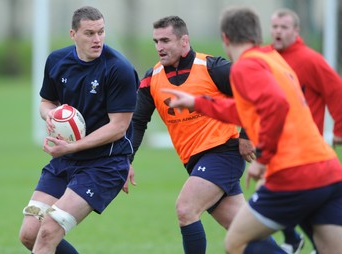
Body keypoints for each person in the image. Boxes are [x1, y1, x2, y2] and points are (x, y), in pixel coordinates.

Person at [162, 6, 342, 254]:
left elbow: (275, 105)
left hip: (294, 172)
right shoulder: (274, 59)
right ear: (259, 34)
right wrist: (197, 102)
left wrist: (263, 159)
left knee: (237, 242)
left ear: (225, 38)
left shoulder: (246, 67)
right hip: (329, 169)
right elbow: (251, 110)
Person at [128, 15, 257, 254]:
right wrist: (127, 161)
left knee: (186, 209)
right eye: (156, 41)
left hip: (223, 151)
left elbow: (252, 91)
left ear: (184, 41)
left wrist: (247, 135)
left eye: (166, 40)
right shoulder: (151, 78)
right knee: (243, 231)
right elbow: (137, 122)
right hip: (193, 161)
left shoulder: (211, 67)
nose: (159, 47)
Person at [18, 6, 139, 254]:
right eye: (89, 33)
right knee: (30, 234)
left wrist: (71, 146)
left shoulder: (119, 69)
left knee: (50, 229)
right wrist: (50, 115)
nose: (97, 40)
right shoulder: (57, 61)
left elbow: (118, 127)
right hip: (65, 159)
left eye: (101, 32)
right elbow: (46, 103)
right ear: (73, 34)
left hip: (105, 164)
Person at [268, 8, 342, 254]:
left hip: (307, 150)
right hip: (277, 145)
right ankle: (297, 239)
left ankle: (305, 242)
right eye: (275, 27)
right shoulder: (267, 58)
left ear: (296, 31)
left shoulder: (310, 59)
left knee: (296, 199)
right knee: (283, 197)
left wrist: (339, 130)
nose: (278, 32)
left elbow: (336, 92)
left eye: (284, 27)